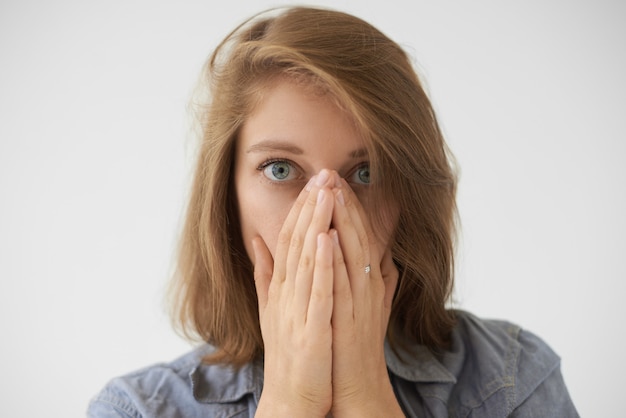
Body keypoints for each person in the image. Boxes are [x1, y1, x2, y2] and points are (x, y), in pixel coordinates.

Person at [88, 6, 578, 417]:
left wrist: (363, 393)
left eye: (366, 173)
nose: (325, 214)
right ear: (226, 197)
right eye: (281, 170)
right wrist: (291, 400)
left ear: (410, 195)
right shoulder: (136, 409)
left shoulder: (515, 382)